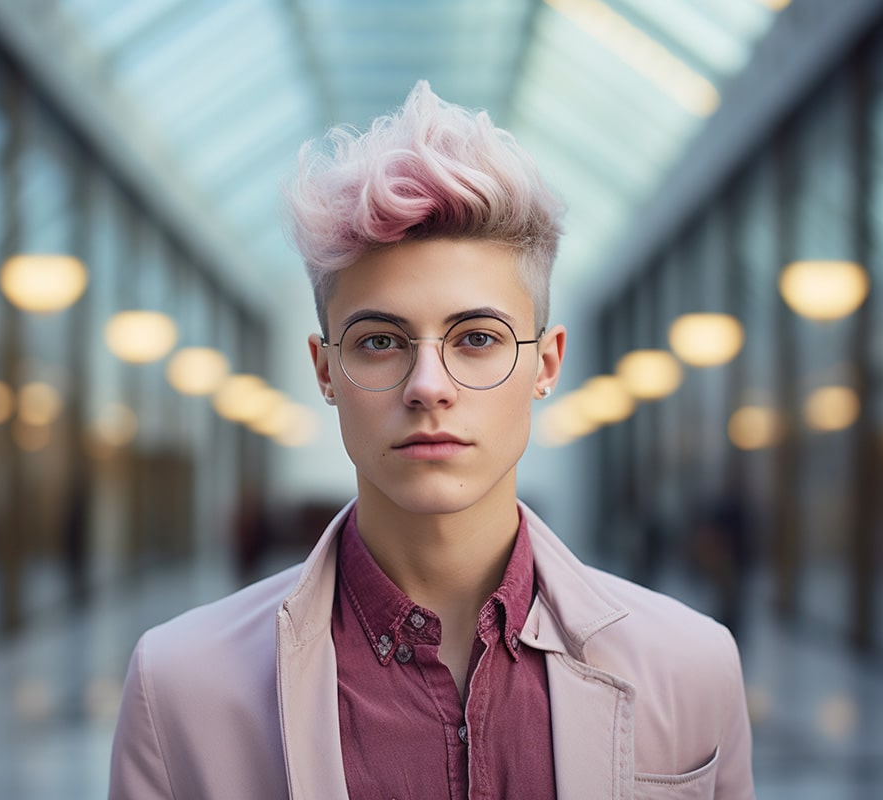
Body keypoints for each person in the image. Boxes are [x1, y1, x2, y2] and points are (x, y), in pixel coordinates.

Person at [109, 81, 754, 799]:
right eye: (381, 341)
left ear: (545, 366)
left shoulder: (692, 666)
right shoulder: (180, 688)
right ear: (326, 372)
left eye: (476, 338)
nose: (428, 384)